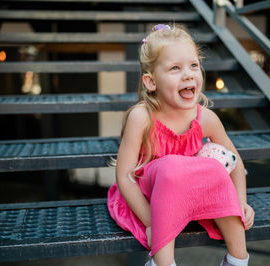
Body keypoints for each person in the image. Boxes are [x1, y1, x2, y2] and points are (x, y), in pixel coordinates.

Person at [107, 24, 255, 266]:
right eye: (175, 68)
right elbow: (124, 176)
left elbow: (235, 163)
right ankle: (162, 262)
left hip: (190, 197)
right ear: (151, 82)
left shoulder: (205, 118)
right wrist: (150, 222)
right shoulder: (141, 118)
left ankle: (237, 259)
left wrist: (241, 202)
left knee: (218, 167)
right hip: (148, 200)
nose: (188, 74)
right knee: (171, 167)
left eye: (194, 65)